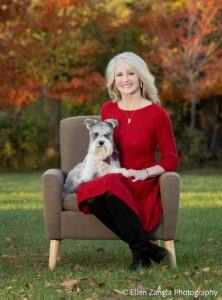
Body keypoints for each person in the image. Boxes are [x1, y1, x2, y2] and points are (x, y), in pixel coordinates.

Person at [77, 52, 179, 270]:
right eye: (119, 74)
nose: (125, 79)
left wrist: (145, 173)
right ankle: (145, 250)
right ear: (114, 80)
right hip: (112, 179)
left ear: (141, 76)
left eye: (131, 73)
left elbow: (171, 159)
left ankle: (141, 252)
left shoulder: (157, 114)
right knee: (87, 192)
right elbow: (102, 149)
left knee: (110, 185)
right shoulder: (108, 109)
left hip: (140, 182)